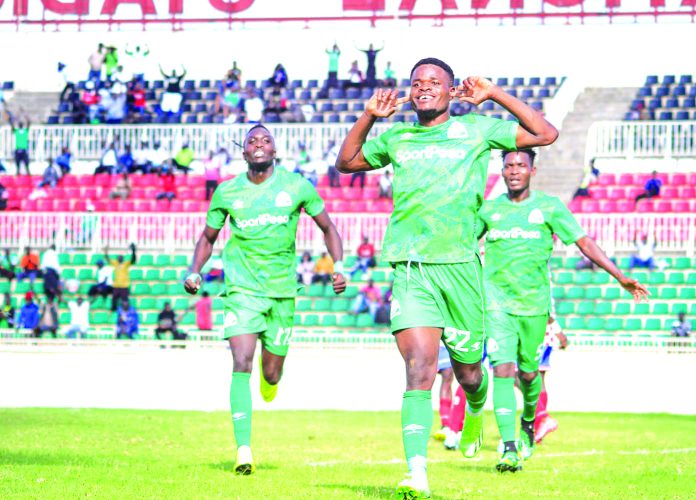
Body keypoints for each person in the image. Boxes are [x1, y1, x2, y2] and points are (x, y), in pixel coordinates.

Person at [336, 57, 560, 497]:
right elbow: (346, 162)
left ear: (451, 90)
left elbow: (545, 134)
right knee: (418, 368)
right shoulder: (397, 136)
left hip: (460, 269)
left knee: (471, 374)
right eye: (416, 83)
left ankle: (474, 406)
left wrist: (494, 93)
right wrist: (368, 116)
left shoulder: (477, 129)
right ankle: (416, 473)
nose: (423, 88)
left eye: (433, 82)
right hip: (411, 267)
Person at [183, 124, 347, 475]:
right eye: (252, 141)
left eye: (266, 140)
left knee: (271, 375)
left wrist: (339, 265)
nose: (259, 145)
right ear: (243, 153)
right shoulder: (227, 192)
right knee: (240, 361)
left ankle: (269, 377)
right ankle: (243, 449)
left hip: (282, 292)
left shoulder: (297, 186)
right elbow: (208, 237)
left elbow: (328, 227)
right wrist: (195, 270)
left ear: (275, 151)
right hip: (242, 291)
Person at [478, 149, 649, 472]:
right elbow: (464, 247)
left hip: (534, 308)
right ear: (501, 171)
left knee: (529, 376)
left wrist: (620, 276)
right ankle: (509, 448)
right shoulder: (489, 210)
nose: (514, 171)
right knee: (501, 371)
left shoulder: (549, 208)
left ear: (533, 170)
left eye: (521, 166)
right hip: (497, 307)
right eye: (508, 166)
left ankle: (529, 422)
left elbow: (584, 242)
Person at [533, 315, 568, 444]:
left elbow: (546, 313)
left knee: (521, 378)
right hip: (545, 339)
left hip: (536, 337)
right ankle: (538, 427)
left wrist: (561, 334)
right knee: (539, 380)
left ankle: (542, 420)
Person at [105, 244, 136, 312]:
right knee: (114, 299)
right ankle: (113, 310)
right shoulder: (115, 263)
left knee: (125, 300)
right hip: (116, 286)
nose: (119, 258)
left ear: (123, 258)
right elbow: (107, 258)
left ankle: (126, 311)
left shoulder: (126, 264)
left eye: (121, 257)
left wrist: (133, 251)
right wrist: (106, 251)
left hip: (124, 286)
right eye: (118, 257)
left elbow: (133, 260)